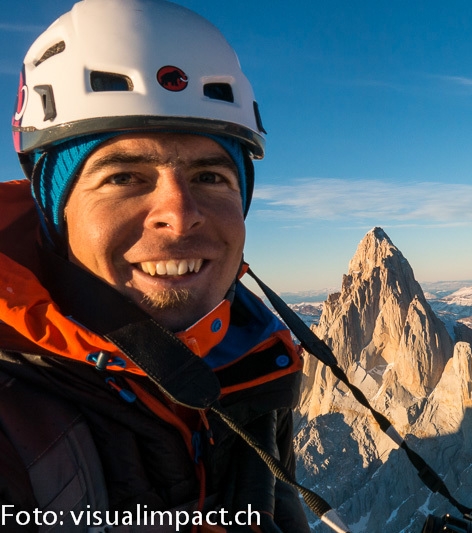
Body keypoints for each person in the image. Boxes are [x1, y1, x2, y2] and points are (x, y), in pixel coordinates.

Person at [0, 0, 311, 531]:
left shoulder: (254, 362)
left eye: (211, 177)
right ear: (56, 212)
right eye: (125, 176)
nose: (180, 215)